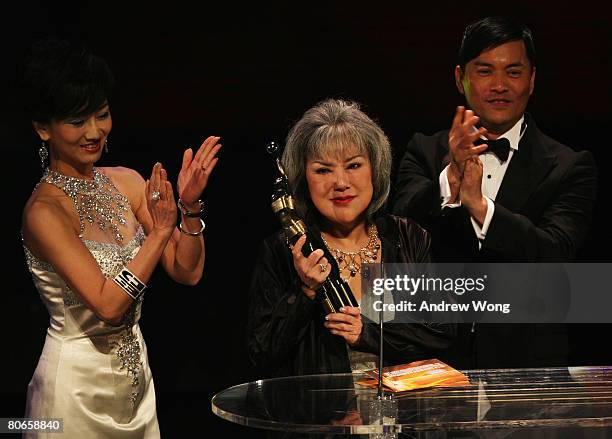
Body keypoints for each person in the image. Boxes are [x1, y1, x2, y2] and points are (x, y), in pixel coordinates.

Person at [20, 38, 220, 437]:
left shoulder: (126, 182)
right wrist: (160, 231)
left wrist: (189, 208)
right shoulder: (44, 212)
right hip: (72, 394)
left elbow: (187, 271)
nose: (94, 132)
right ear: (44, 128)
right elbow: (108, 305)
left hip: (135, 385)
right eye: (77, 122)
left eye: (102, 115)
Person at [392, 17, 598, 368]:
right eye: (485, 71)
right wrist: (451, 179)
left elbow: (554, 253)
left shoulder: (569, 166)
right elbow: (395, 237)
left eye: (513, 72)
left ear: (532, 80)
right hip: (432, 363)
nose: (499, 85)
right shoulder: (423, 151)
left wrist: (481, 206)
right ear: (461, 78)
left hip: (527, 367)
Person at [247, 98, 454, 379]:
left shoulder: (406, 236)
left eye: (353, 165)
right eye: (323, 170)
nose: (341, 182)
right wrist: (305, 292)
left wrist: (367, 334)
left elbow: (441, 333)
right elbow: (262, 354)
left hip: (401, 416)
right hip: (322, 418)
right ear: (303, 179)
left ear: (374, 169)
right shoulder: (283, 248)